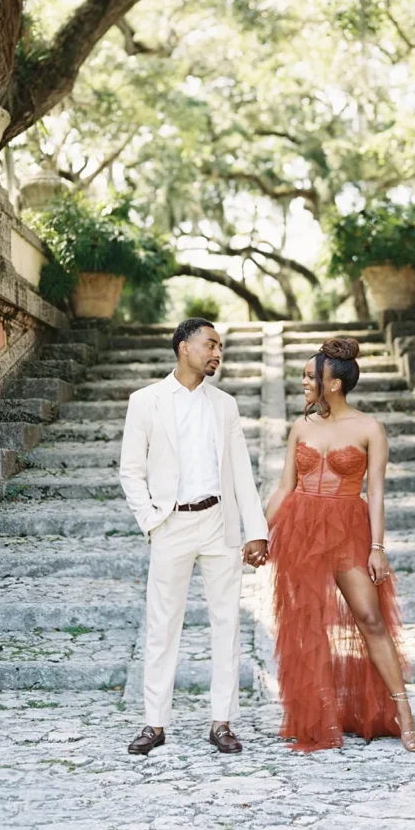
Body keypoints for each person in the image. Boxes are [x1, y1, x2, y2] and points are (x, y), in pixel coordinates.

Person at [266, 336, 415, 753]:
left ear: (333, 383)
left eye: (309, 376)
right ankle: (319, 717)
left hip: (348, 527)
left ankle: (403, 711)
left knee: (370, 618)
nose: (304, 382)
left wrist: (378, 547)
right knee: (308, 625)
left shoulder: (370, 428)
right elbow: (285, 485)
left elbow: (375, 493)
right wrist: (260, 531)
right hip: (301, 527)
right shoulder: (302, 426)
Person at [119, 317, 269, 756]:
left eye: (220, 346)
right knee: (162, 626)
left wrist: (256, 531)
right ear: (184, 347)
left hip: (219, 524)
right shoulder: (145, 401)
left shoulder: (224, 405)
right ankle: (154, 723)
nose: (217, 353)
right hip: (172, 525)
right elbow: (131, 470)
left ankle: (221, 722)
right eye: (210, 344)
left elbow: (242, 471)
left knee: (227, 623)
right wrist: (152, 520)